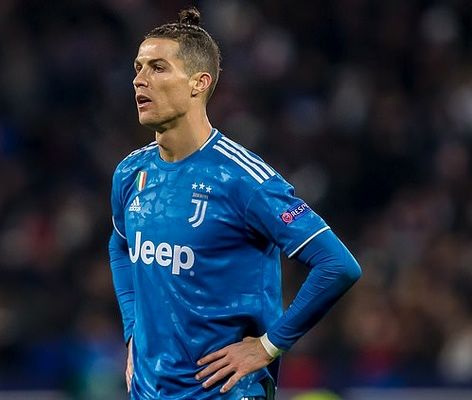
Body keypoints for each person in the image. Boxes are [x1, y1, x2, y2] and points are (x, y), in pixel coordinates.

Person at [108, 7, 361, 400]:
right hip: (148, 391)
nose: (140, 80)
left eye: (158, 68)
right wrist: (132, 331)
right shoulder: (130, 173)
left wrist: (268, 345)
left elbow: (337, 264)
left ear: (199, 83)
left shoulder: (242, 178)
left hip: (226, 392)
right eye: (138, 68)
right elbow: (120, 245)